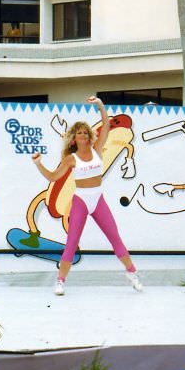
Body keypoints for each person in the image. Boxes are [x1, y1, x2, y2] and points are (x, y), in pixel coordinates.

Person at [32, 95, 142, 296]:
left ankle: (132, 272)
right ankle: (60, 281)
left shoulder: (98, 149)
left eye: (85, 132)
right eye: (79, 133)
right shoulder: (71, 159)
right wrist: (39, 164)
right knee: (72, 242)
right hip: (81, 200)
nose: (83, 135)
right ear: (74, 138)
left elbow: (107, 127)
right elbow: (53, 176)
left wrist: (100, 104)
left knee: (114, 237)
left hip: (97, 199)